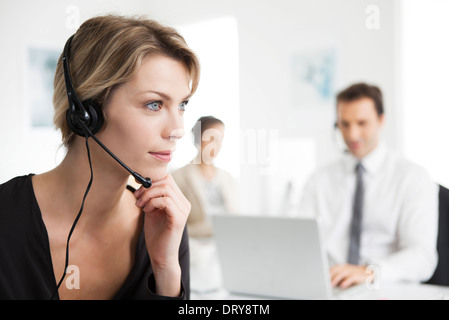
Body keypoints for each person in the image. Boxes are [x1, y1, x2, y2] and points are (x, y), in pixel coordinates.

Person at [0, 14, 200, 300]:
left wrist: (166, 269)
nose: (178, 130)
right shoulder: (6, 219)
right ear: (85, 113)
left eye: (181, 105)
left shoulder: (165, 223)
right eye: (154, 104)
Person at [298, 82, 439, 289]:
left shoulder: (413, 177)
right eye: (344, 124)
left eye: (362, 123)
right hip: (332, 287)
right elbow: (299, 242)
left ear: (381, 120)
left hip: (387, 287)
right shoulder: (319, 180)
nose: (352, 135)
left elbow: (423, 257)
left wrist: (370, 272)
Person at [172, 116, 239, 238]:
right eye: (212, 138)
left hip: (228, 240)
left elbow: (235, 216)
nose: (217, 145)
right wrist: (213, 230)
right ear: (198, 139)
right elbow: (176, 226)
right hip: (197, 245)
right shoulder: (178, 177)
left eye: (220, 139)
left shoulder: (227, 178)